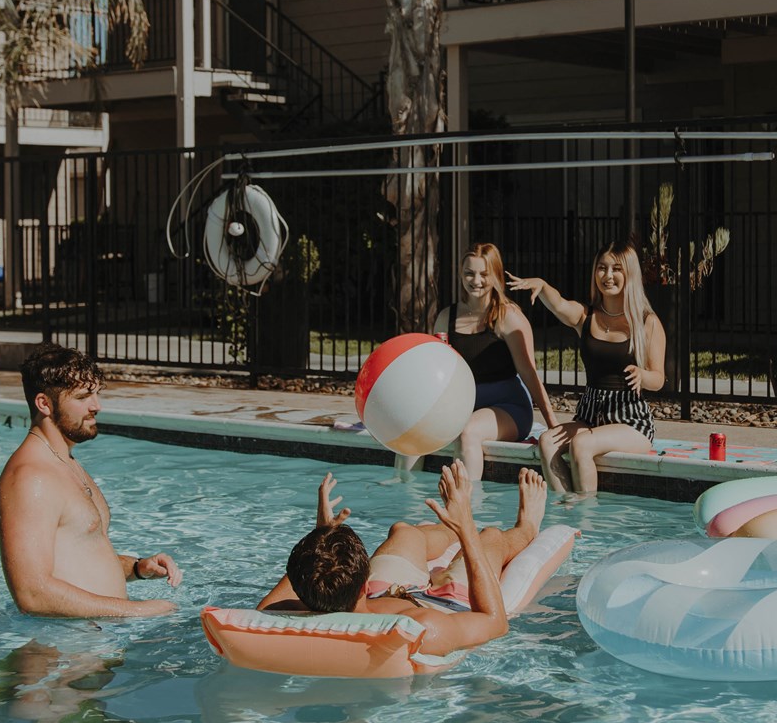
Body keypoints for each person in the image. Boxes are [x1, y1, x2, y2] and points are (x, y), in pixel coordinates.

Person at [256, 463, 548, 661]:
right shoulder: (420, 629)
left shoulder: (287, 611)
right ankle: (525, 528)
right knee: (491, 537)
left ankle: (450, 525)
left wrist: (321, 537)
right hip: (445, 605)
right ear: (362, 581)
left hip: (383, 593)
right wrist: (468, 528)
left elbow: (271, 602)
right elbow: (495, 624)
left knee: (405, 532)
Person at [0, 342, 182, 618]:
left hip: (89, 643)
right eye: (83, 397)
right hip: (60, 653)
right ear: (44, 404)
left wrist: (138, 568)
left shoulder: (65, 462)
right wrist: (137, 610)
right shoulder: (30, 479)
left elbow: (78, 559)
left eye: (96, 394)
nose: (97, 406)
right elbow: (31, 593)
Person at [507, 242, 666, 493]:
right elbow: (559, 305)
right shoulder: (586, 316)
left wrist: (643, 376)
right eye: (602, 268)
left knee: (581, 445)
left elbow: (659, 378)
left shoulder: (647, 322)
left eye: (616, 269)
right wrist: (543, 285)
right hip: (590, 416)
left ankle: (588, 519)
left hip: (630, 420)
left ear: (630, 274)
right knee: (547, 442)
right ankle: (565, 510)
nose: (608, 275)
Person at [433, 242, 558, 480]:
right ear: (461, 274)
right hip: (464, 407)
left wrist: (554, 426)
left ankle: (467, 508)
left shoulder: (508, 316)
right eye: (469, 273)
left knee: (468, 432)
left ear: (496, 276)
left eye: (484, 274)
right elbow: (440, 372)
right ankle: (404, 500)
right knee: (415, 431)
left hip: (508, 409)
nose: (476, 280)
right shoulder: (445, 318)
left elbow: (529, 374)